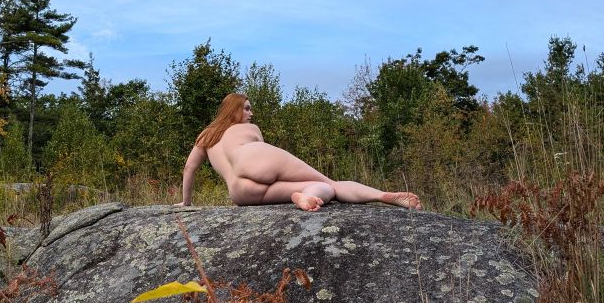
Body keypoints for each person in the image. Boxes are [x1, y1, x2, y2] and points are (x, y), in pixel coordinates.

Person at [177, 93, 422, 212]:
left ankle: (302, 196)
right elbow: (262, 158)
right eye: (247, 109)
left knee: (321, 190)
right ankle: (380, 195)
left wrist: (186, 202)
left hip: (240, 192)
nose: (251, 114)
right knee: (330, 184)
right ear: (234, 110)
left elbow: (190, 169)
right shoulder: (247, 129)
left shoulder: (206, 136)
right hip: (253, 158)